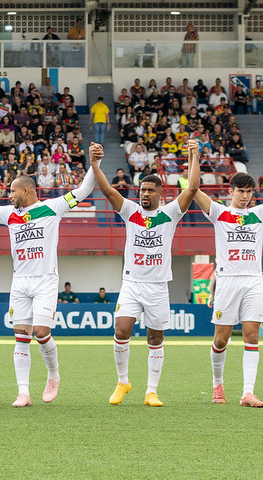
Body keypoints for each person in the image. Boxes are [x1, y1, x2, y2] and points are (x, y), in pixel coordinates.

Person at [0, 149, 99, 407]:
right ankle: (23, 392)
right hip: (20, 282)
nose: (9, 195)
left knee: (41, 333)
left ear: (25, 190)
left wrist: (95, 163)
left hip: (45, 280)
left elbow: (85, 189)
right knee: (21, 336)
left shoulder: (52, 207)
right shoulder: (9, 214)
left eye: (12, 191)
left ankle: (53, 375)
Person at [89, 140, 199, 407]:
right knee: (121, 329)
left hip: (158, 286)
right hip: (132, 283)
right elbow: (107, 190)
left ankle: (151, 391)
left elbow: (193, 188)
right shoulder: (130, 211)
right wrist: (94, 163)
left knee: (155, 338)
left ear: (160, 192)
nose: (145, 194)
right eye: (142, 190)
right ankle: (122, 382)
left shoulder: (170, 213)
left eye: (150, 190)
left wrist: (194, 155)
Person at [194, 172, 263, 407]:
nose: (245, 196)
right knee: (221, 339)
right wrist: (194, 157)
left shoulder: (258, 214)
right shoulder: (219, 212)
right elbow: (193, 189)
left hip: (254, 280)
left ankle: (247, 393)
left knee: (252, 335)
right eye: (241, 191)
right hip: (227, 281)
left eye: (249, 192)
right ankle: (218, 384)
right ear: (230, 191)